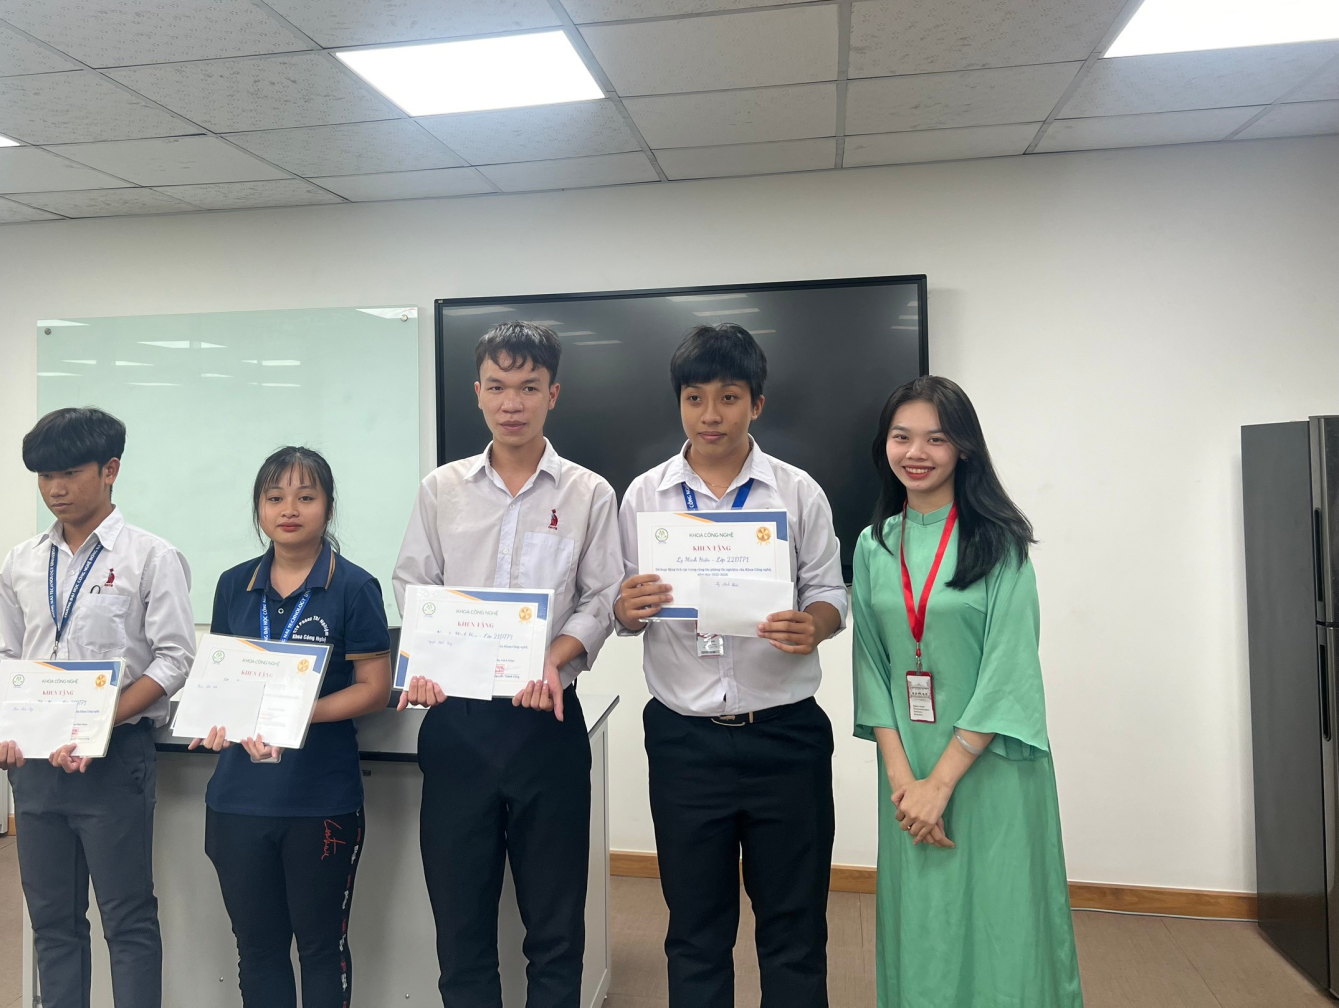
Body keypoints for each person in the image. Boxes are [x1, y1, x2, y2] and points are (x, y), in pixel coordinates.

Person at [613, 323, 848, 1008]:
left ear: (757, 404)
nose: (710, 414)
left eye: (728, 397)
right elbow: (618, 607)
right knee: (695, 930)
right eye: (694, 398)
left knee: (794, 928)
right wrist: (628, 607)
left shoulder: (797, 492)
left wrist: (814, 625)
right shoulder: (644, 496)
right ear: (679, 403)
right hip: (685, 740)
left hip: (785, 736)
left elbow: (830, 593)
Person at [392, 320, 624, 1008]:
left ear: (553, 393)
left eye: (528, 387)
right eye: (497, 387)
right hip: (456, 724)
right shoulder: (441, 489)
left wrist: (554, 656)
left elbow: (603, 597)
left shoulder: (588, 493)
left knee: (555, 927)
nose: (511, 403)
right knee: (461, 926)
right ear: (478, 393)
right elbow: (414, 582)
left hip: (545, 723)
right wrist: (427, 655)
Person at [851, 376, 1083, 1008]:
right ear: (885, 445)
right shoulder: (874, 545)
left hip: (990, 766)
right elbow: (871, 665)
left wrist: (941, 784)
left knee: (1001, 920)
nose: (915, 453)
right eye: (901, 437)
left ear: (963, 448)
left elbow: (1010, 672)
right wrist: (905, 781)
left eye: (936, 438)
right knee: (924, 920)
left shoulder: (999, 542)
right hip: (908, 772)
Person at [0, 407, 197, 1008]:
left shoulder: (151, 557)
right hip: (36, 766)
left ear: (110, 470)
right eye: (45, 475)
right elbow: (5, 656)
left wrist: (101, 720)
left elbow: (174, 660)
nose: (56, 489)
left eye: (70, 473)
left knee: (127, 919)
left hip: (113, 760)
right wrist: (8, 724)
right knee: (52, 922)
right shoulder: (22, 561)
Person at [189, 446, 392, 1008]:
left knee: (322, 948)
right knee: (257, 950)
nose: (290, 510)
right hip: (237, 800)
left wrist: (296, 712)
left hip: (319, 800)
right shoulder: (234, 584)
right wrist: (216, 719)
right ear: (259, 508)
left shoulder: (354, 587)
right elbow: (224, 678)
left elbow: (374, 688)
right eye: (275, 497)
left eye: (306, 497)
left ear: (329, 507)